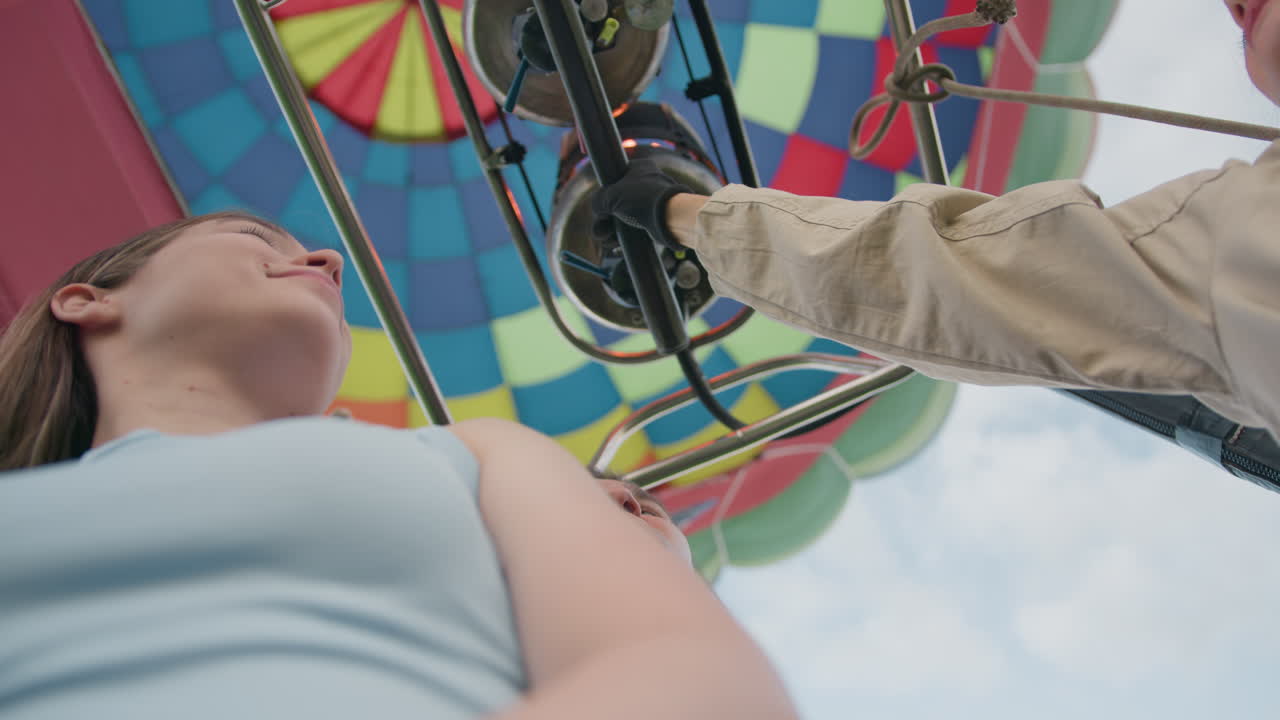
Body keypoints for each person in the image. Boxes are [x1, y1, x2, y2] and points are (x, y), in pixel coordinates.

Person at [0, 212, 798, 719]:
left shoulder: (473, 453)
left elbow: (683, 676)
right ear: (87, 300)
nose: (324, 258)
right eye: (253, 239)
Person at [593, 0, 1280, 443]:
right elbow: (965, 283)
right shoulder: (1235, 241)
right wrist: (683, 215)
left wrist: (674, 211)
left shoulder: (1235, 239)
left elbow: (950, 283)